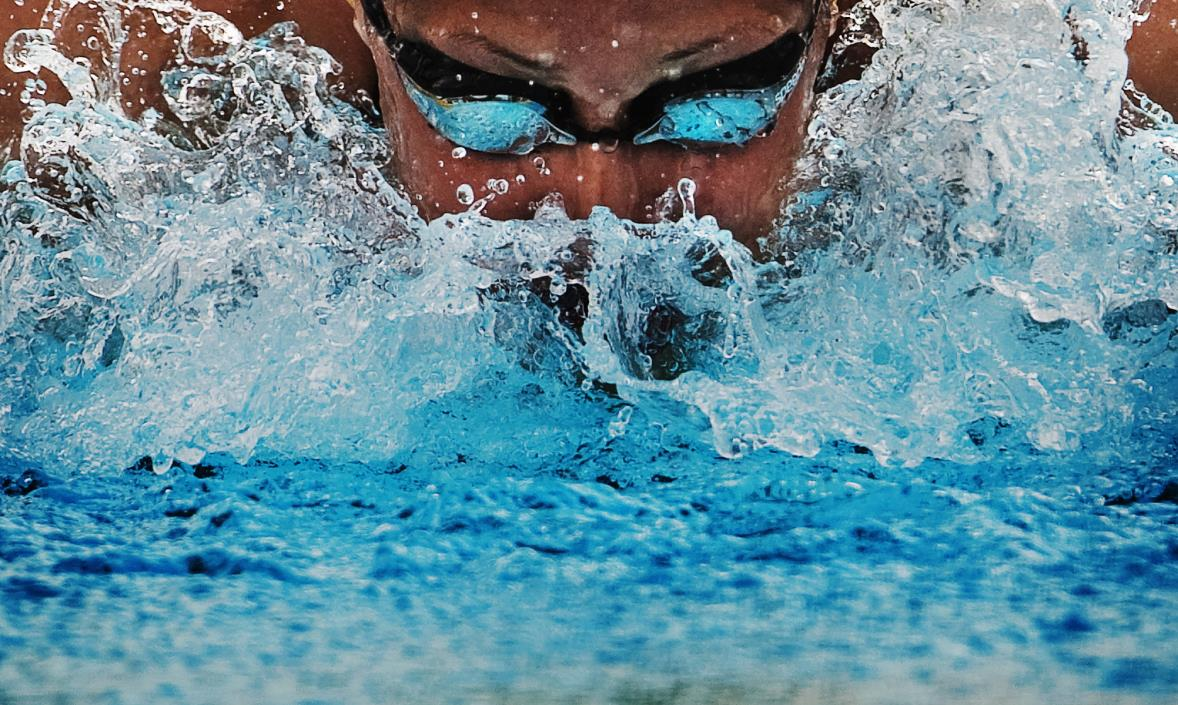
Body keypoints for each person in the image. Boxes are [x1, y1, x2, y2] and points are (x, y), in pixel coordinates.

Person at [2, 1, 1176, 248]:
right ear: (363, 22)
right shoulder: (98, 79)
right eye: (487, 101)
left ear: (833, 29)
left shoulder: (1093, 71)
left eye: (712, 101)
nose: (598, 203)